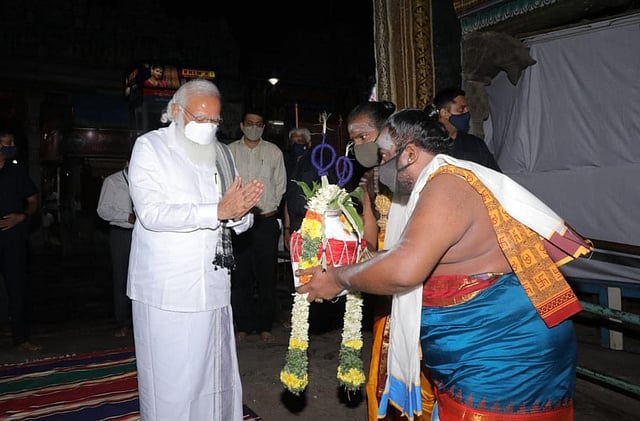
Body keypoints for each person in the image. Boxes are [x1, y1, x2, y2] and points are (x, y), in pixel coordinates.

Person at [297, 109, 591, 420]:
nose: (380, 166)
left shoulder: (446, 185)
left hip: (501, 354)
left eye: (384, 156)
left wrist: (339, 279)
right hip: (479, 351)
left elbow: (404, 269)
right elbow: (403, 254)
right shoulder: (438, 183)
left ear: (410, 154)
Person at [127, 79, 264, 421]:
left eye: (214, 121)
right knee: (170, 384)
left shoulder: (222, 154)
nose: (208, 127)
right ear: (175, 111)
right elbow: (152, 214)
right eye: (200, 119)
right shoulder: (150, 147)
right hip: (167, 289)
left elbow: (236, 217)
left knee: (213, 378)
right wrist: (217, 212)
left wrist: (239, 214)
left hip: (212, 285)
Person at [347, 101, 435, 421]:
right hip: (386, 281)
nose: (359, 146)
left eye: (363, 136)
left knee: (427, 370)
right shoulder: (368, 180)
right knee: (384, 369)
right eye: (354, 140)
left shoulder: (421, 176)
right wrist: (355, 257)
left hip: (424, 280)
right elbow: (370, 235)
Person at [228, 110, 286, 344]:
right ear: (242, 125)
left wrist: (268, 207)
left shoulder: (274, 152)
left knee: (266, 276)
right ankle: (243, 325)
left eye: (259, 124)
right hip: (238, 222)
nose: (254, 127)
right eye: (250, 123)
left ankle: (265, 326)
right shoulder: (229, 152)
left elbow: (280, 186)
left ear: (264, 127)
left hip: (265, 221)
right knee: (240, 276)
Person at [0, 129, 42, 352]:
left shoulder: (17, 171)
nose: (12, 146)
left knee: (17, 287)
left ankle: (21, 337)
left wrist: (22, 216)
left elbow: (33, 201)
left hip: (12, 237)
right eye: (8, 143)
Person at [96, 155, 135, 338]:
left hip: (141, 235)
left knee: (140, 279)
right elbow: (102, 210)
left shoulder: (144, 181)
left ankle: (138, 322)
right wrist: (126, 216)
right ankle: (123, 323)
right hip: (121, 234)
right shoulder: (112, 181)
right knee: (121, 279)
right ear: (127, 163)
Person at [426, 87, 501, 171]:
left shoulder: (475, 144)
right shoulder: (427, 144)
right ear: (445, 113)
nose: (467, 113)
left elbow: (495, 175)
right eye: (461, 110)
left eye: (467, 109)